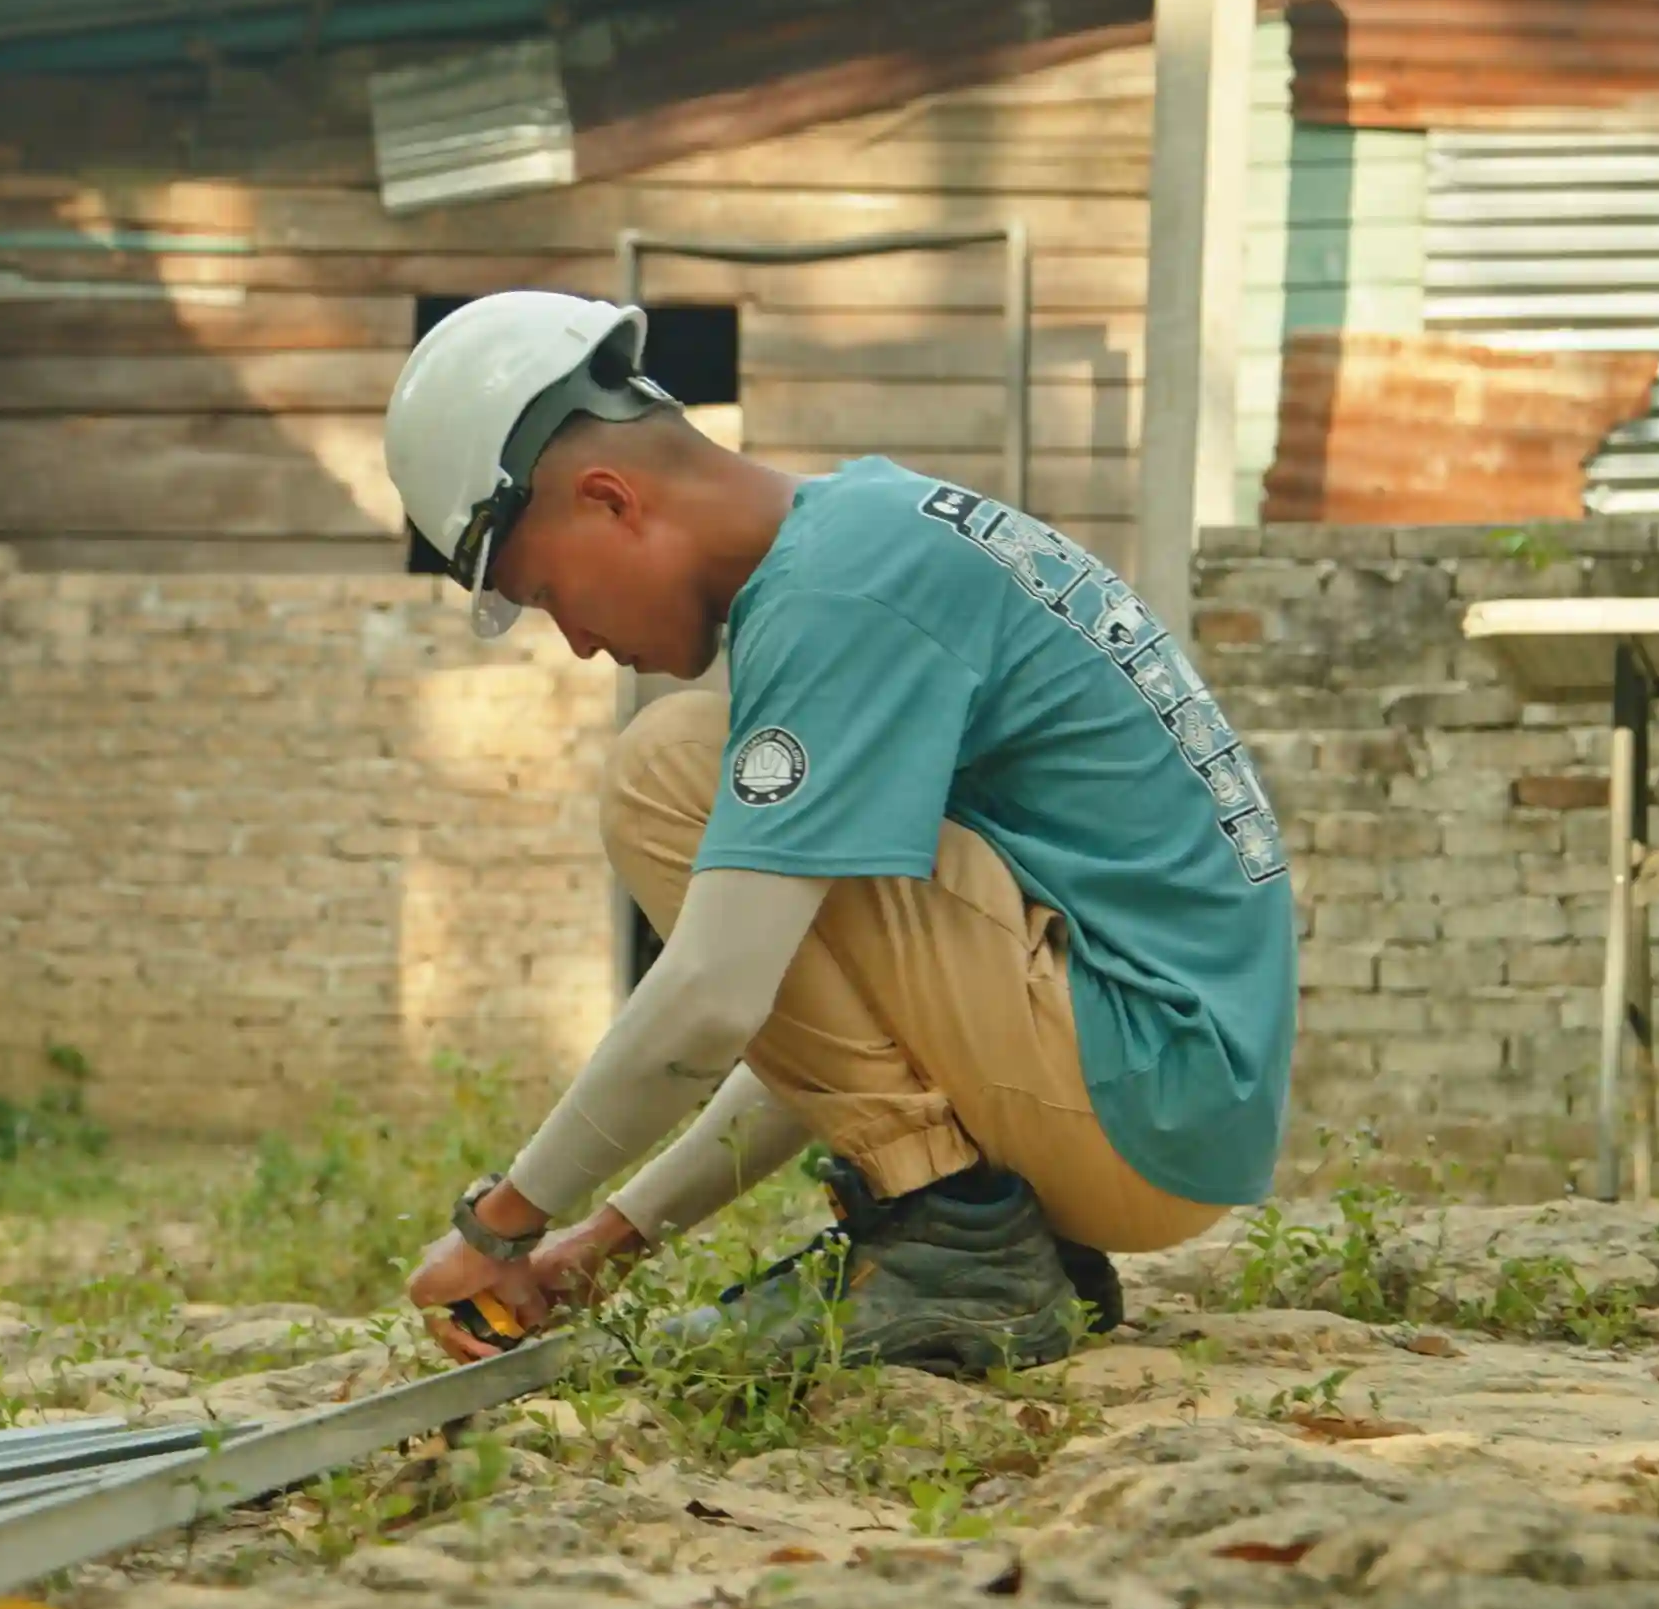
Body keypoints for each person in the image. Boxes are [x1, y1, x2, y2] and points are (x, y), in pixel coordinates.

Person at [386, 293, 1297, 1374]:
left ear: (609, 499)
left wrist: (503, 1224)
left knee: (667, 768)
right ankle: (977, 1242)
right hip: (1161, 1108)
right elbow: (842, 1039)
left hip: (1137, 1091)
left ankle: (962, 1250)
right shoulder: (869, 538)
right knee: (723, 802)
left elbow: (720, 992)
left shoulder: (840, 597)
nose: (579, 643)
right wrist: (605, 1244)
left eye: (547, 593)